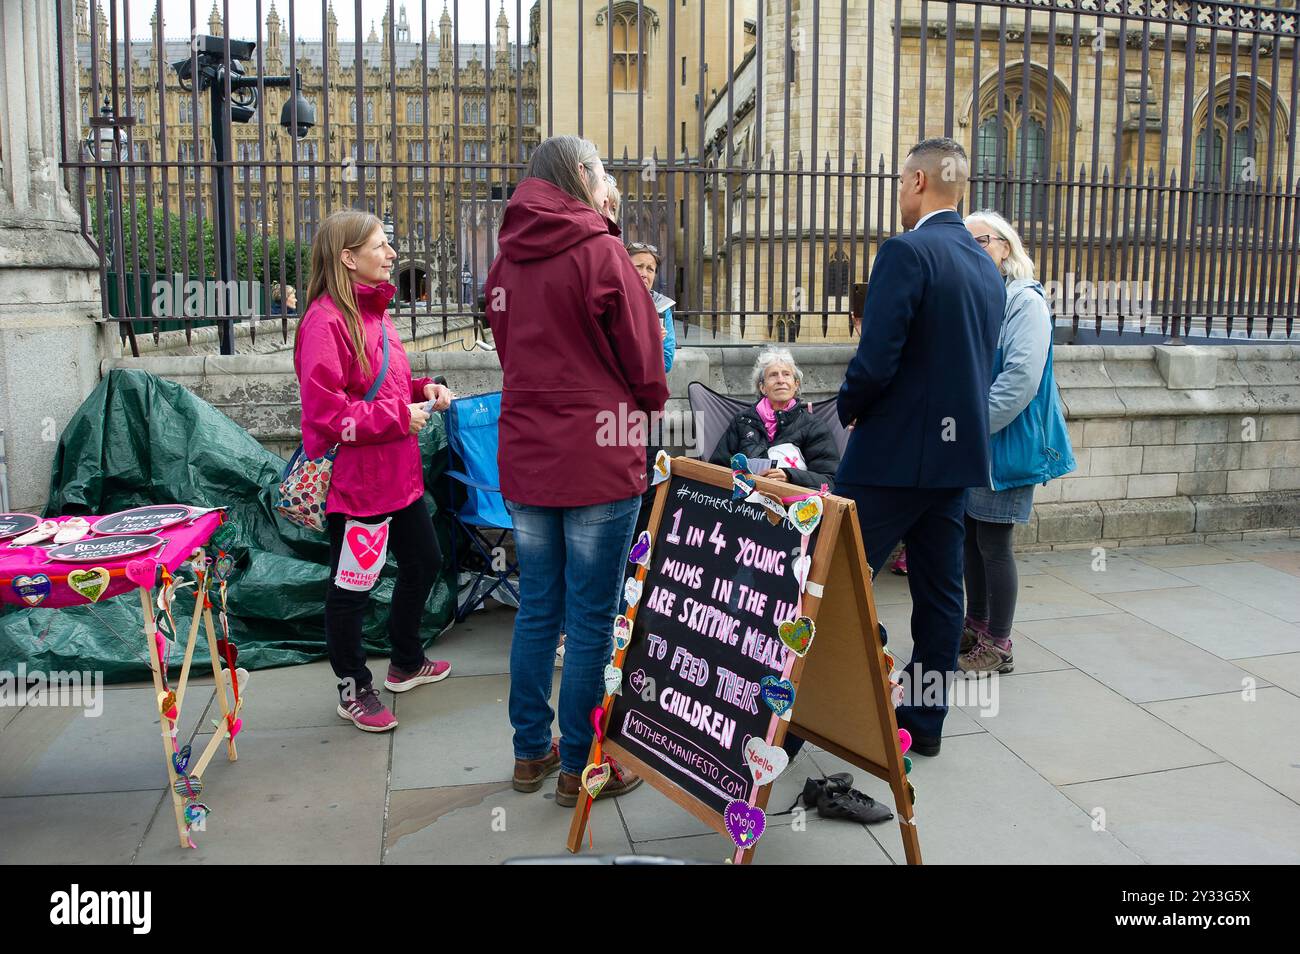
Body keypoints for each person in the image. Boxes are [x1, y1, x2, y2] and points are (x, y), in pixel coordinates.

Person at [486, 135, 669, 806]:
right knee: (592, 617)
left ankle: (530, 753)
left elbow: (511, 352)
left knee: (538, 608)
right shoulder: (601, 251)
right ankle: (582, 762)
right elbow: (647, 361)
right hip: (597, 451)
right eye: (600, 172)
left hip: (530, 453)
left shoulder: (506, 261)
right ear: (583, 175)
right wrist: (641, 406)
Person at [833, 137, 1004, 757]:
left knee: (827, 583)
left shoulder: (906, 253)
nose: (899, 193)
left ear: (917, 183)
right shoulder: (986, 265)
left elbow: (876, 362)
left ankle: (786, 731)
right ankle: (923, 724)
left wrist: (846, 409)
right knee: (940, 596)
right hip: (953, 461)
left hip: (892, 458)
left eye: (901, 182)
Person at [294, 209, 455, 733]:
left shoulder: (377, 314)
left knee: (425, 562)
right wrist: (397, 416)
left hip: (399, 479)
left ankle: (405, 661)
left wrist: (422, 388)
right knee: (352, 590)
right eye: (381, 245)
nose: (391, 254)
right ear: (348, 257)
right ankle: (353, 688)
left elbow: (384, 384)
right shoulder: (324, 322)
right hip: (358, 487)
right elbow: (326, 416)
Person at [960, 210, 1076, 674]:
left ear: (1005, 246)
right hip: (976, 440)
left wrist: (970, 426)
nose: (975, 251)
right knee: (969, 536)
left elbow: (1020, 380)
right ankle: (976, 625)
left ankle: (999, 644)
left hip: (1005, 442)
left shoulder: (1024, 301)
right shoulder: (982, 297)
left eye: (982, 241)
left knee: (994, 542)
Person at [708, 348, 838, 490]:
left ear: (796, 385)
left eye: (786, 374)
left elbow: (829, 480)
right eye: (773, 375)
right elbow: (715, 470)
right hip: (745, 506)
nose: (780, 380)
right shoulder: (742, 422)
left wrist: (789, 476)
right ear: (762, 387)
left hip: (794, 507)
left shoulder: (813, 426)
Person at [627, 241, 677, 539]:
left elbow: (667, 361)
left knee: (648, 473)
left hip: (647, 407)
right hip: (615, 407)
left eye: (651, 268)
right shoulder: (613, 298)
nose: (645, 273)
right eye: (639, 266)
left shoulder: (662, 307)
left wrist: (653, 344)